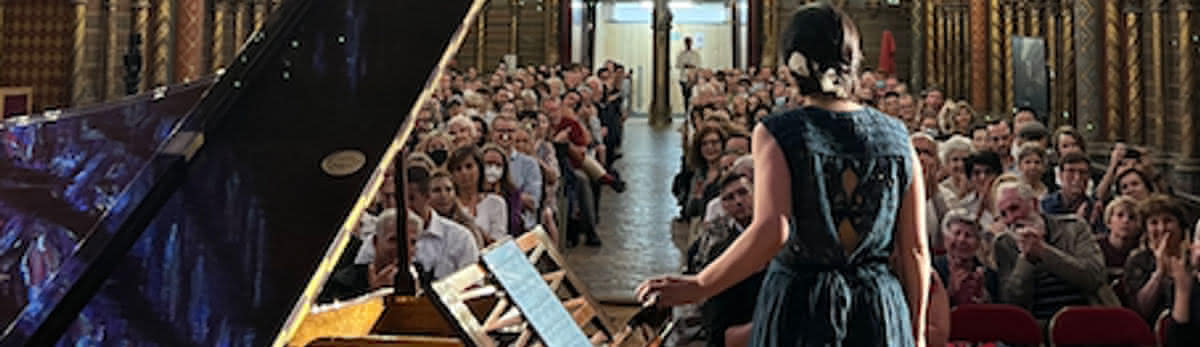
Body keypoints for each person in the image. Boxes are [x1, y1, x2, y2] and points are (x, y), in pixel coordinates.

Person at [638, 4, 930, 345]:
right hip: (877, 309)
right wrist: (918, 331)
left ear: (793, 63)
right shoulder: (898, 137)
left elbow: (772, 229)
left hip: (804, 307)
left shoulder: (779, 131)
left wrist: (700, 284)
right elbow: (915, 251)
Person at [991, 180, 1115, 324]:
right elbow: (1012, 303)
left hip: (1087, 317)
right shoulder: (1004, 244)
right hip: (1037, 326)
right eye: (1004, 214)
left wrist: (1044, 251)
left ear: (1035, 204)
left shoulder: (1074, 228)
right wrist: (1026, 259)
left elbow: (1094, 277)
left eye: (1014, 208)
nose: (1011, 219)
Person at [688, 173, 765, 347]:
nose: (738, 201)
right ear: (723, 206)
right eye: (729, 198)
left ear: (756, 193)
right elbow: (715, 313)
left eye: (743, 193)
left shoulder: (781, 236)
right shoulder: (720, 251)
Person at [1124, 194, 1191, 321]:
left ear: (1180, 226)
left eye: (1168, 221)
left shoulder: (1193, 257)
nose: (1161, 228)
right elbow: (1140, 310)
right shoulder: (1137, 260)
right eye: (1154, 223)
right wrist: (1159, 272)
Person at [932, 209, 999, 307]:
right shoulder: (931, 269)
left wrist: (983, 298)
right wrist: (950, 293)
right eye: (957, 233)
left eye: (968, 235)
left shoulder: (990, 276)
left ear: (978, 243)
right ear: (945, 238)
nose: (962, 239)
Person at [447, 146, 509, 245]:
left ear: (479, 169)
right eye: (458, 169)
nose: (464, 172)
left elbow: (498, 243)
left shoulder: (496, 202)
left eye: (469, 166)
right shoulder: (447, 203)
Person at [677, 36, 703, 106]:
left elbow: (699, 65)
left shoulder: (695, 54)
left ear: (691, 43)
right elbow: (678, 65)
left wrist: (692, 66)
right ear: (685, 43)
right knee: (685, 96)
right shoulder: (681, 54)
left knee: (692, 95)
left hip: (692, 78)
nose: (688, 44)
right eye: (686, 42)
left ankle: (691, 111)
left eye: (689, 42)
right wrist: (684, 65)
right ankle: (686, 111)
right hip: (683, 78)